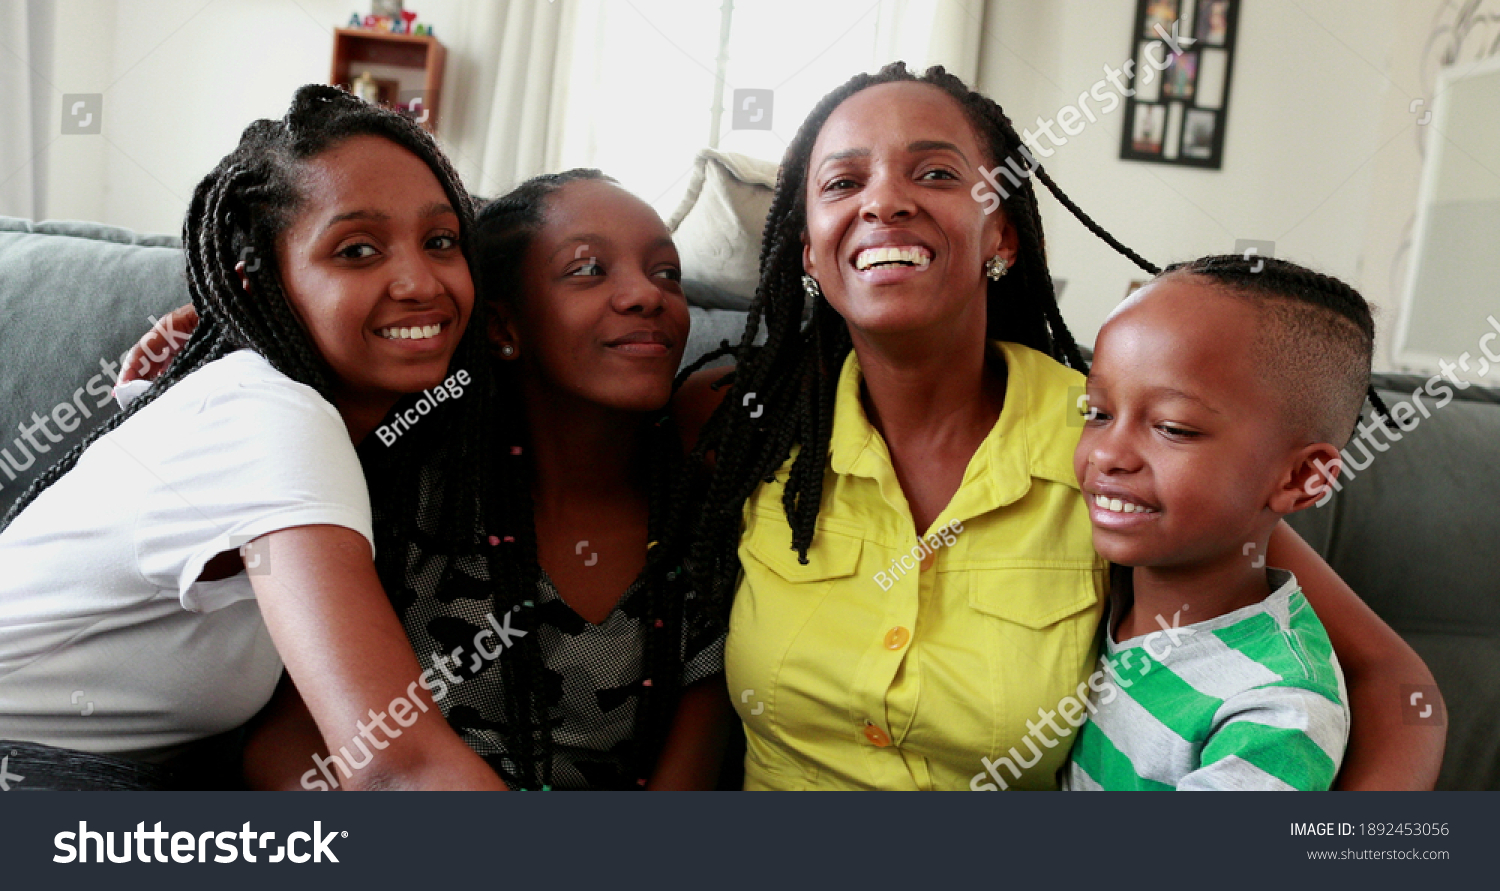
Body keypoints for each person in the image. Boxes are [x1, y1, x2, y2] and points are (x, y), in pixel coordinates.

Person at [681, 62, 1444, 790]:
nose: (884, 202)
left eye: (937, 173)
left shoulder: (1113, 450)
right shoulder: (741, 421)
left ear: (1003, 236)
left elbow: (1395, 684)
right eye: (844, 182)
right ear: (809, 249)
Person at [124, 170, 732, 791]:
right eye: (587, 270)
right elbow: (292, 746)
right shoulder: (405, 490)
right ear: (500, 327)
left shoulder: (706, 513)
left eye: (667, 274)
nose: (646, 295)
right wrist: (242, 320)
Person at [0, 85, 507, 790]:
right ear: (258, 282)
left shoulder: (334, 446)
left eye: (441, 241)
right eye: (357, 250)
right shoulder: (269, 414)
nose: (419, 280)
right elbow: (399, 769)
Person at [1063, 255, 1374, 791]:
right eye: (1097, 413)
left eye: (1173, 428)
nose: (1108, 454)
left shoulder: (1278, 710)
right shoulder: (1098, 589)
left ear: (1301, 476)